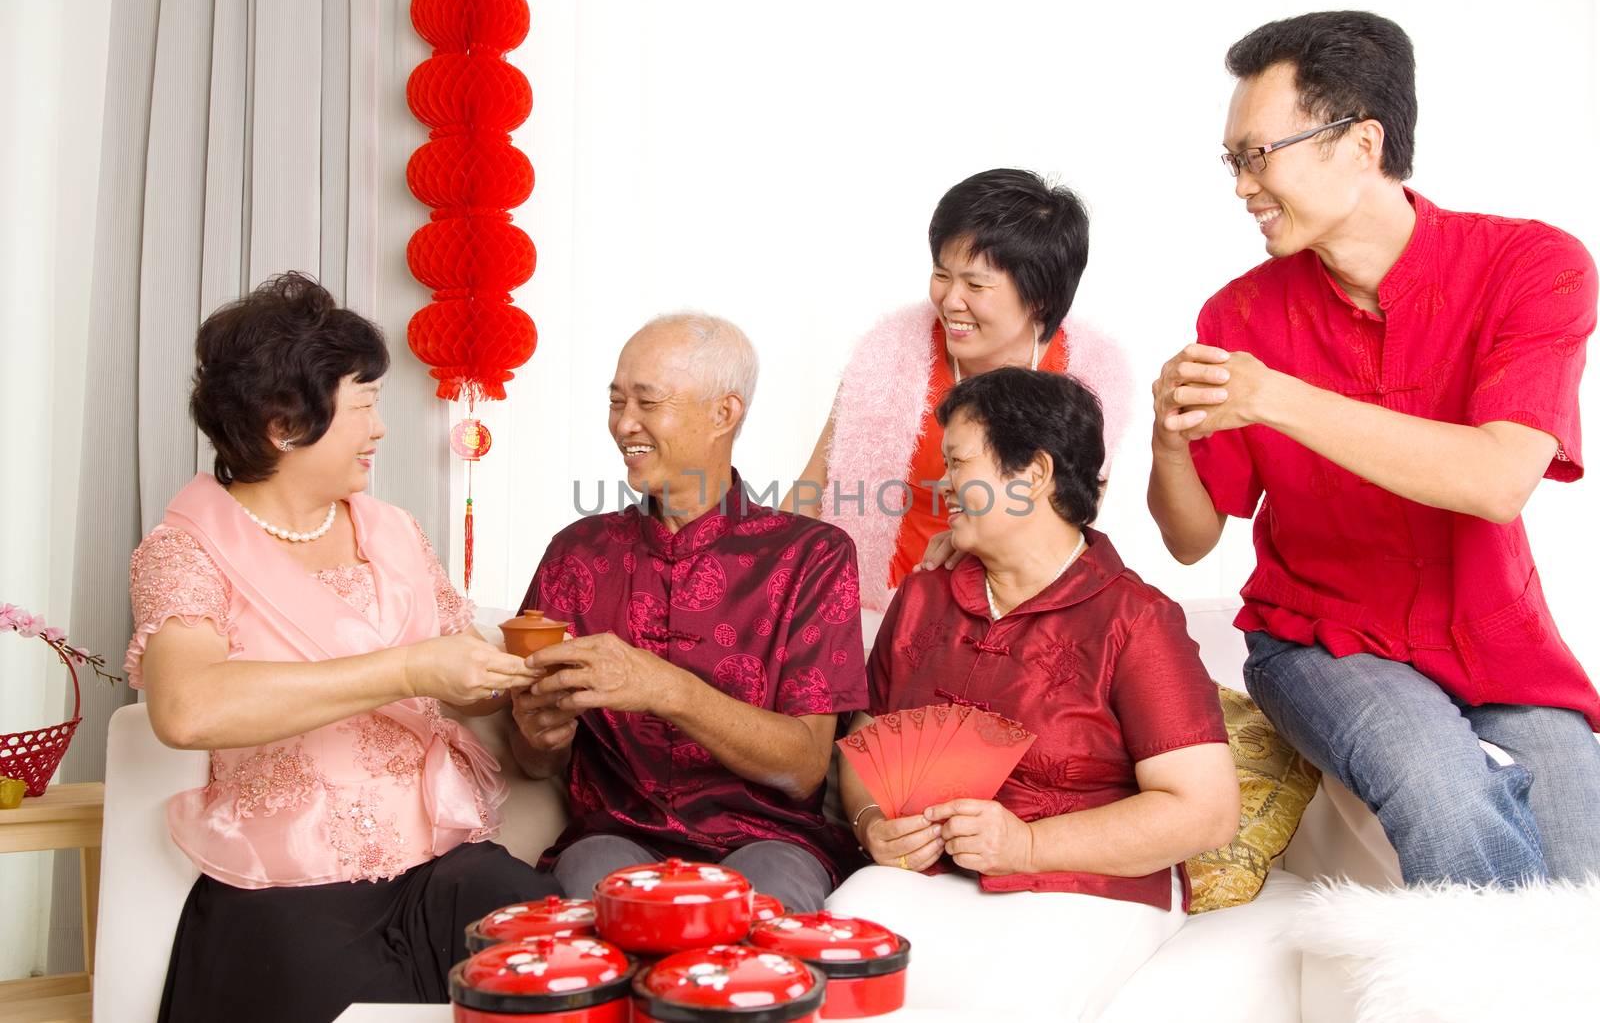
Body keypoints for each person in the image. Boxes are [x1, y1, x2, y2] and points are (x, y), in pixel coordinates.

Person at [1148, 10, 1600, 885]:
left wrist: (1275, 397)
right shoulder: (1238, 315)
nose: (1242, 185)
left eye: (1257, 154)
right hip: (1321, 641)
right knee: (1444, 792)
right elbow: (1193, 538)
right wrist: (1170, 444)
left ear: (1360, 143)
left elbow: (1497, 479)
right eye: (1233, 161)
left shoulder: (1534, 266)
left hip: (1498, 644)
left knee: (1589, 869)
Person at [127, 273, 554, 1023]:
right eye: (364, 405)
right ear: (283, 425)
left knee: (560, 952)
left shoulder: (394, 530)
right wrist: (410, 667)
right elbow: (187, 710)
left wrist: (518, 684)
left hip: (442, 867)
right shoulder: (184, 552)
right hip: (288, 889)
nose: (381, 429)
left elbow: (460, 680)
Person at [828, 367, 1236, 1018]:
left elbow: (1205, 810)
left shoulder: (1135, 619)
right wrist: (872, 822)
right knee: (838, 947)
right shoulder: (925, 594)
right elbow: (864, 743)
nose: (941, 485)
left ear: (1033, 476)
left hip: (1094, 885)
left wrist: (1027, 847)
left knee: (998, 1003)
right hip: (935, 875)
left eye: (958, 463)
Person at [510, 313, 868, 911]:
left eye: (648, 402)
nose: (625, 424)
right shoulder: (578, 554)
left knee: (765, 909)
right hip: (614, 835)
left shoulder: (812, 556)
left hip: (772, 840)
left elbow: (805, 767)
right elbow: (535, 757)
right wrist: (537, 733)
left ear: (724, 413)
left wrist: (665, 689)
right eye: (617, 401)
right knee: (597, 896)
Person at [785, 168, 1130, 617]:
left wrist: (975, 546)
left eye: (976, 284)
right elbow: (814, 488)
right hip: (872, 606)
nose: (950, 300)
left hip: (1013, 613)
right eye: (942, 274)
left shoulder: (1086, 374)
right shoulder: (888, 357)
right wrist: (769, 577)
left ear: (1040, 298)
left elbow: (1072, 519)